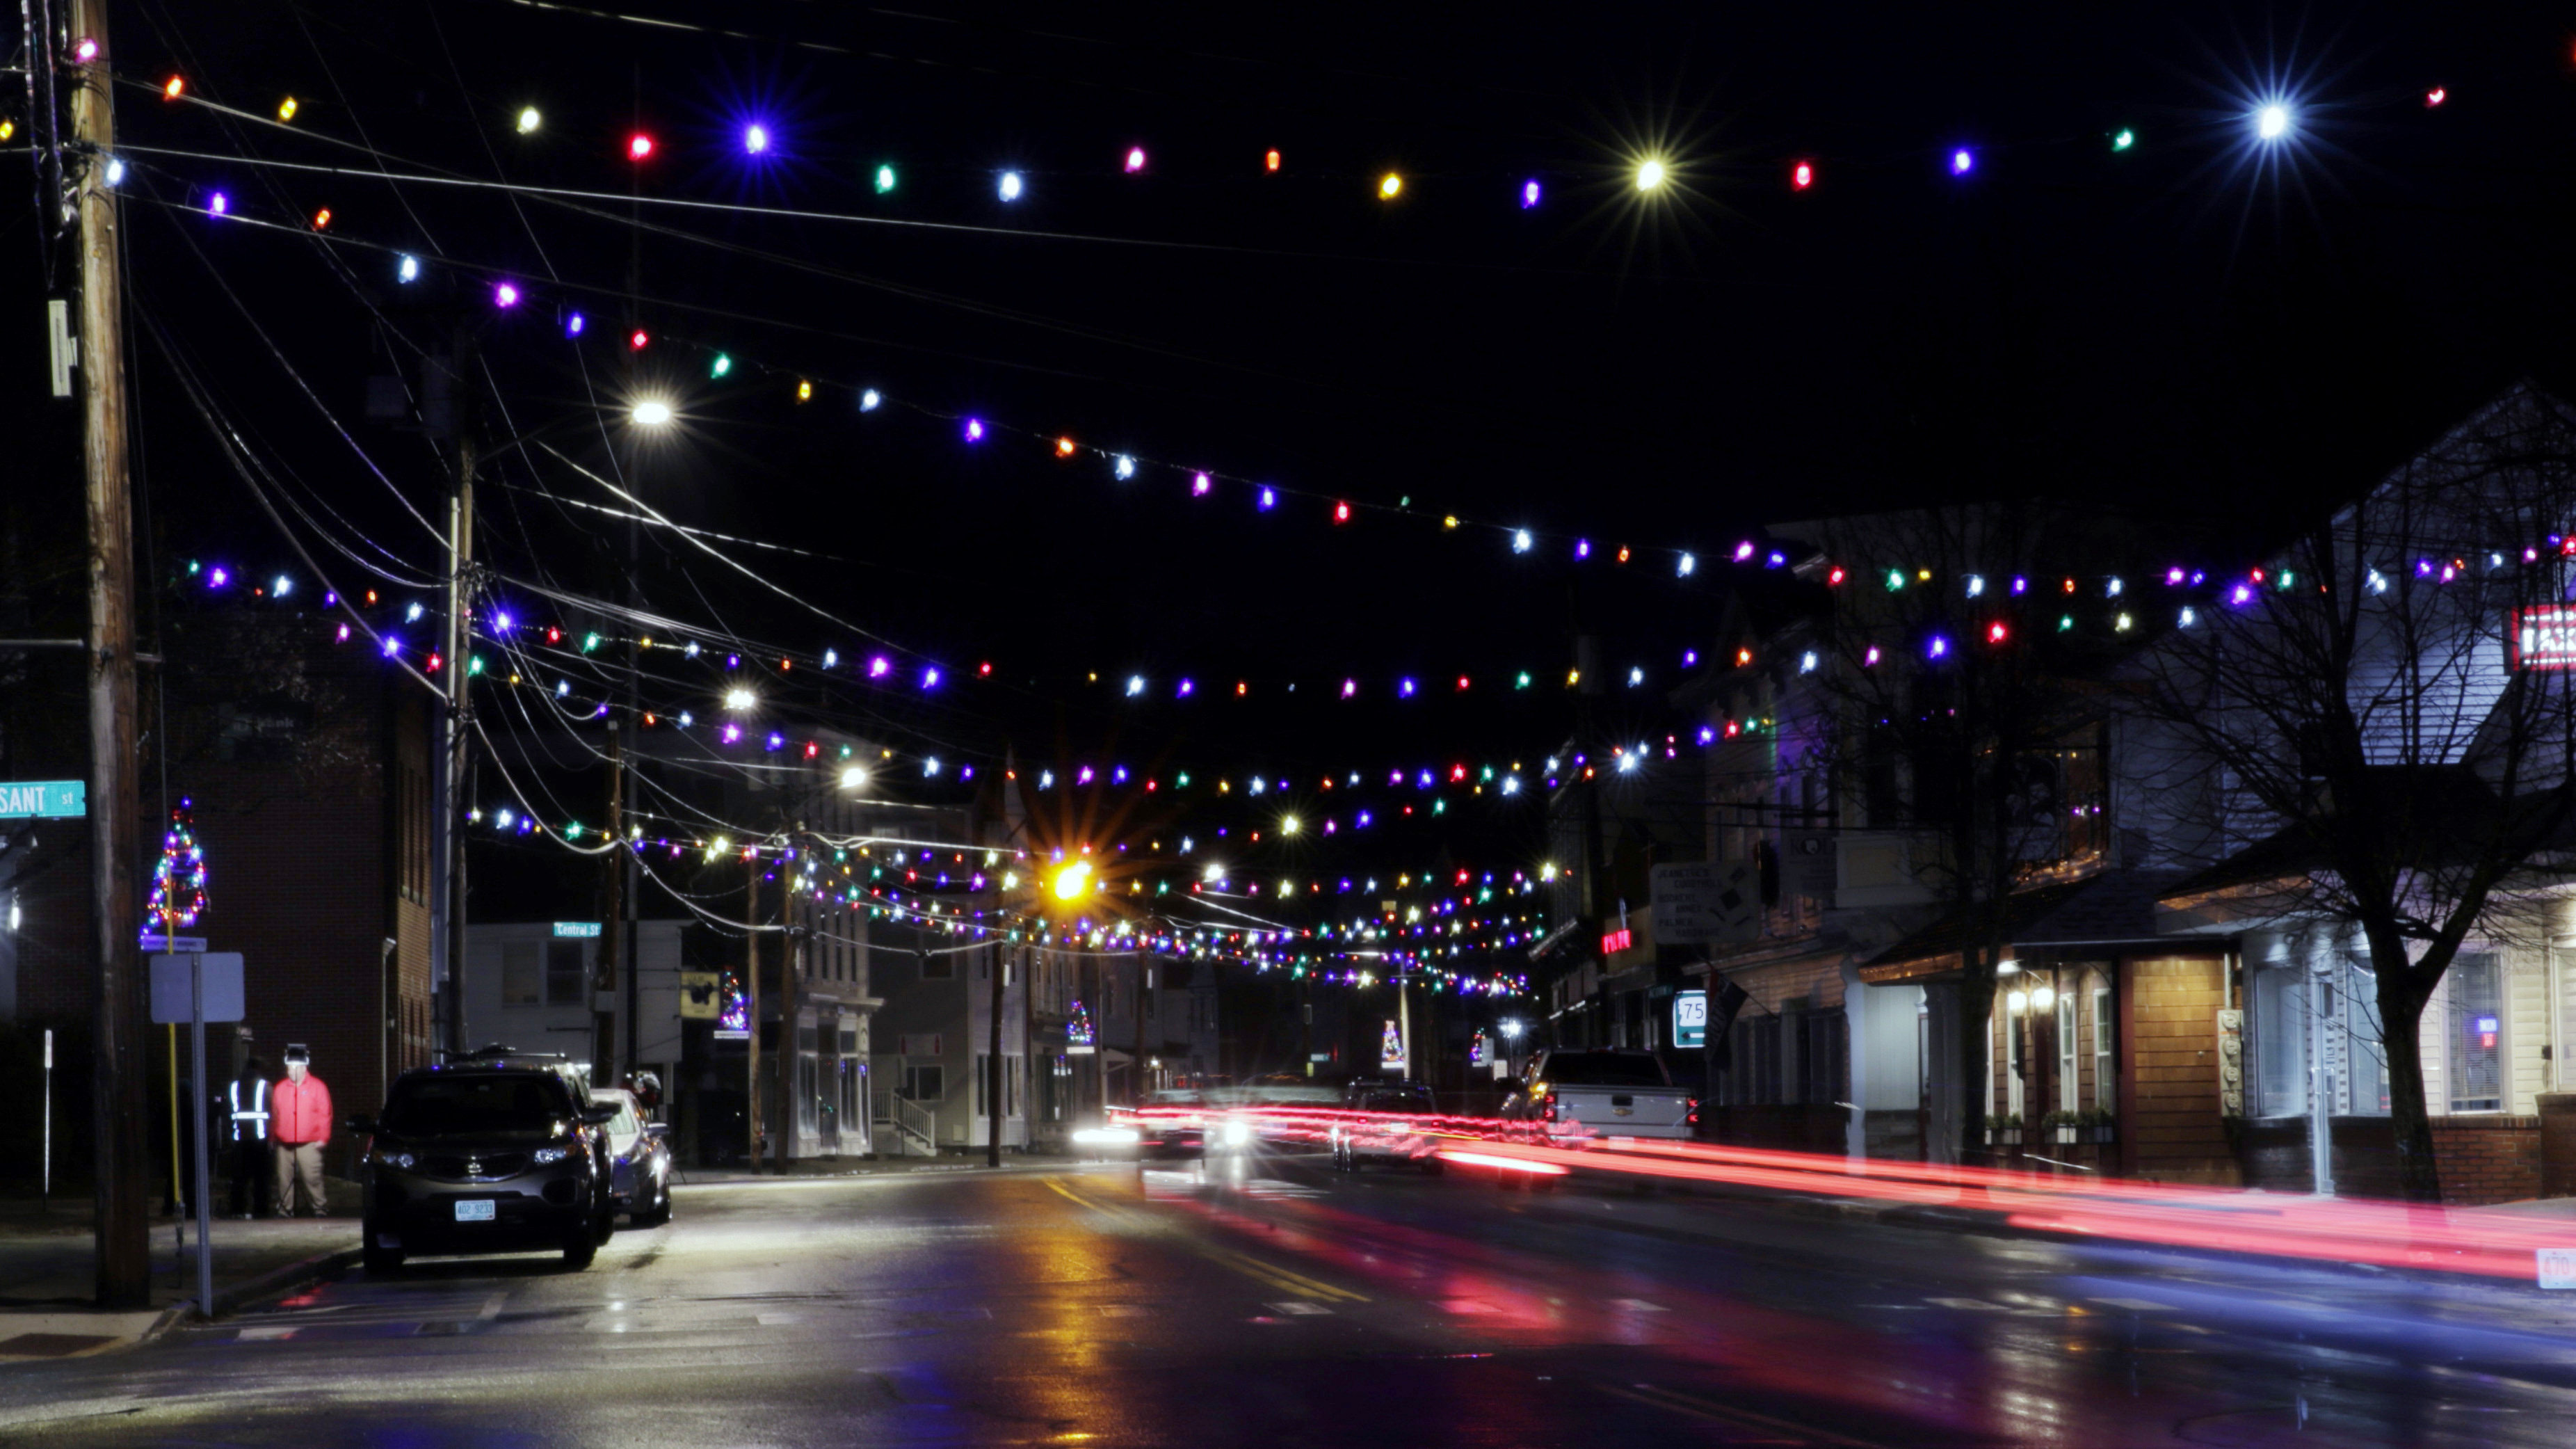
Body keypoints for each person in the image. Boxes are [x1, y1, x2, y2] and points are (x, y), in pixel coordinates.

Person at [271, 1044, 333, 1217]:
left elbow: (325, 1114)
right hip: (284, 1142)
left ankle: (319, 1207)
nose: (291, 1071)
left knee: (312, 1177)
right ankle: (285, 1209)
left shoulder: (317, 1087)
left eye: (295, 1068)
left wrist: (323, 1137)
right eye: (289, 1068)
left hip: (309, 1142)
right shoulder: (280, 1088)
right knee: (284, 1179)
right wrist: (272, 1137)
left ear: (304, 1068)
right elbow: (274, 1115)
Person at [226, 1054, 273, 1219]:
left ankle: (237, 1210)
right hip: (260, 1139)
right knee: (261, 1179)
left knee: (239, 1179)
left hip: (239, 1140)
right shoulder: (264, 1086)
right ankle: (260, 1211)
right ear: (258, 1069)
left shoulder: (234, 1086)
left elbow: (230, 1112)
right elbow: (273, 1110)